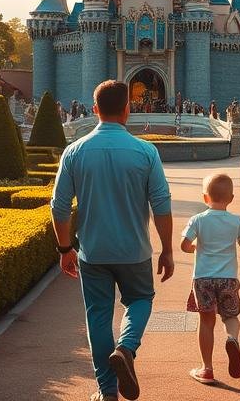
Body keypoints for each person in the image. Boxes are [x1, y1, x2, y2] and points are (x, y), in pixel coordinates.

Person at [51, 80, 175, 401]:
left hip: (92, 253)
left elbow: (59, 206)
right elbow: (161, 205)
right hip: (134, 251)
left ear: (94, 110)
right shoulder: (146, 152)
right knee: (140, 300)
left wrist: (65, 249)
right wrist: (168, 249)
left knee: (98, 317)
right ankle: (127, 348)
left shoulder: (74, 152)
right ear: (127, 110)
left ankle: (107, 392)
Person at [180, 173, 240, 385]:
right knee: (230, 317)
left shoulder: (198, 220)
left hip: (203, 279)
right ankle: (232, 339)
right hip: (228, 278)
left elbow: (184, 245)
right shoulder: (235, 220)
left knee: (206, 322)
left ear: (205, 198)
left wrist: (195, 247)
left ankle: (207, 369)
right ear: (231, 198)